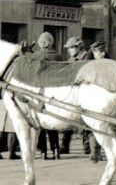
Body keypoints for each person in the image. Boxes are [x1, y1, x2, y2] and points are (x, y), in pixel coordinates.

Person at [59, 37, 92, 155]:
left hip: (82, 91)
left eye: (71, 48)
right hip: (73, 90)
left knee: (83, 119)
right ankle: (64, 145)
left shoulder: (85, 57)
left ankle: (87, 147)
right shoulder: (73, 58)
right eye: (68, 48)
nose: (69, 50)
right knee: (69, 117)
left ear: (78, 47)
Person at [34, 32, 61, 160]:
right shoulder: (58, 56)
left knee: (40, 122)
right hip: (55, 91)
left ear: (40, 42)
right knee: (53, 122)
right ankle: (55, 149)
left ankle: (43, 151)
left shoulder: (36, 56)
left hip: (40, 91)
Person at [0, 84, 20, 160]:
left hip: (1, 102)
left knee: (0, 129)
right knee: (12, 129)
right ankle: (11, 153)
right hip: (13, 102)